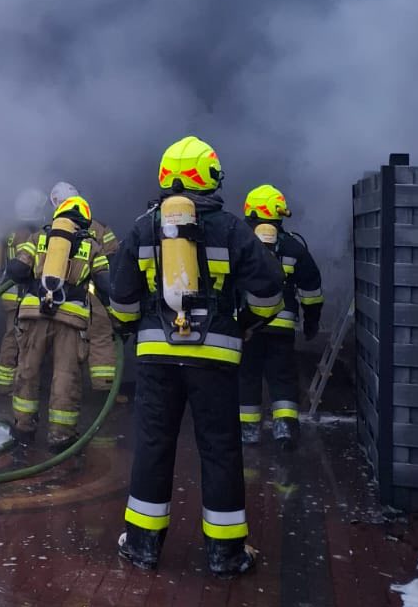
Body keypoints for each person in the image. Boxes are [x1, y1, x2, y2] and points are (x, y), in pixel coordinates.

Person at [108, 136, 284, 576]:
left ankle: (143, 547)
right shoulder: (231, 227)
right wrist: (243, 323)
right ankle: (225, 554)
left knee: (152, 446)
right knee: (221, 450)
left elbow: (122, 297)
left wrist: (136, 328)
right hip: (216, 359)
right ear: (209, 177)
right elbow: (269, 292)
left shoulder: (143, 226)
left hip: (155, 359)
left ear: (166, 177)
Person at [6, 194, 111, 452]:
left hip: (33, 314)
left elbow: (17, 271)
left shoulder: (38, 238)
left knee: (27, 370)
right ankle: (61, 438)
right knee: (65, 376)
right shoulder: (92, 245)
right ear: (85, 221)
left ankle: (23, 428)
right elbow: (107, 285)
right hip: (71, 320)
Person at [238, 184, 324, 445]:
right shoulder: (294, 248)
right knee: (282, 377)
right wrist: (311, 323)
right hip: (281, 328)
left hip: (247, 327)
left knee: (248, 375)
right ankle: (285, 427)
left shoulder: (239, 243)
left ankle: (248, 431)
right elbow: (312, 290)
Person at [49, 181, 120, 394]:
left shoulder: (52, 230)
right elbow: (114, 257)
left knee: (68, 339)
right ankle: (104, 388)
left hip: (63, 295)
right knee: (100, 335)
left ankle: (69, 387)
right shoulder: (98, 227)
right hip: (95, 292)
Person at [0, 189, 50, 396]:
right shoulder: (34, 235)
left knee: (13, 338)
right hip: (26, 296)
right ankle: (18, 386)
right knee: (24, 341)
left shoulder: (10, 232)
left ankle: (8, 385)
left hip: (12, 295)